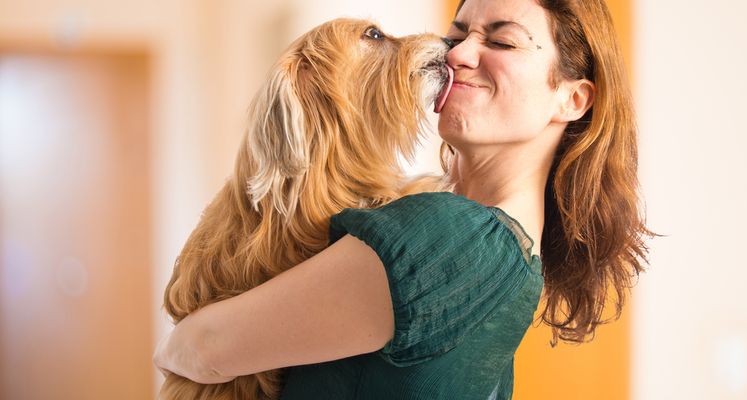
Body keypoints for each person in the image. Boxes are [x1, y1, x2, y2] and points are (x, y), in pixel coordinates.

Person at [153, 0, 653, 398]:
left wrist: (173, 345)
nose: (456, 54)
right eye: (456, 36)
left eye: (502, 40)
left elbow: (201, 348)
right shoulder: (509, 255)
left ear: (573, 98)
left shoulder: (454, 237)